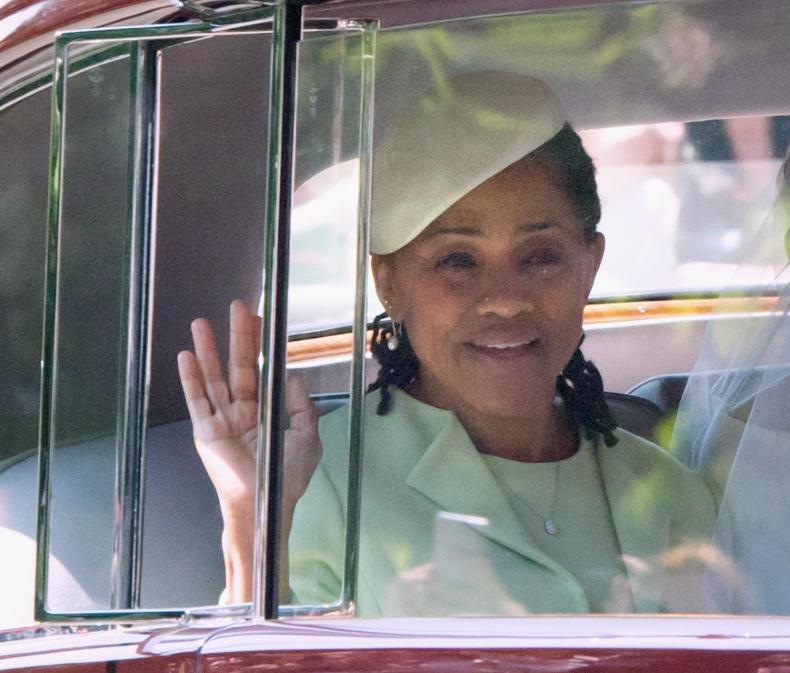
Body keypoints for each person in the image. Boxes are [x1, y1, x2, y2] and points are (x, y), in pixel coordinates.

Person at [177, 71, 716, 615]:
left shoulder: (665, 488)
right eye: (457, 260)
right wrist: (254, 528)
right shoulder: (317, 478)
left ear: (590, 266)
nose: (505, 299)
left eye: (540, 256)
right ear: (388, 282)